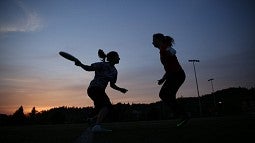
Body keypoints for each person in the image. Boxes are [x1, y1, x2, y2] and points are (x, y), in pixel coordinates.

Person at [75, 49, 128, 132]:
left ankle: (92, 120)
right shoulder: (102, 65)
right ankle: (97, 126)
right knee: (106, 106)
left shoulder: (114, 71)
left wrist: (120, 89)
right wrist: (80, 64)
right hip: (94, 88)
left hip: (100, 90)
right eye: (118, 57)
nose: (119, 59)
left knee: (105, 108)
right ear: (112, 58)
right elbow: (88, 68)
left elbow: (112, 85)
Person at [152, 33, 189, 127]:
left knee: (164, 95)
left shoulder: (164, 48)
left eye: (154, 40)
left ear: (159, 40)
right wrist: (163, 79)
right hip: (174, 75)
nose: (152, 43)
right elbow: (168, 68)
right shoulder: (162, 50)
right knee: (167, 95)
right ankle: (182, 115)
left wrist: (170, 50)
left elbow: (173, 51)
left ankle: (182, 115)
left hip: (177, 75)